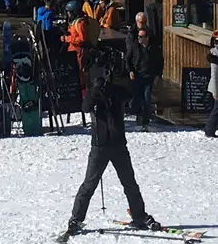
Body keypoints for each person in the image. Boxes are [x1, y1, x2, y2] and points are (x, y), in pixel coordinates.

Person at [60, 42, 160, 239]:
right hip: (100, 145)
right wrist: (97, 90)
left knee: (129, 182)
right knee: (89, 184)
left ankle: (138, 215)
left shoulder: (117, 90)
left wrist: (114, 85)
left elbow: (130, 100)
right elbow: (86, 107)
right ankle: (76, 219)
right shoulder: (94, 93)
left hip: (118, 144)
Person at [125, 13, 162, 130]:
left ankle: (144, 120)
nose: (140, 39)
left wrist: (158, 75)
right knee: (137, 97)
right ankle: (138, 115)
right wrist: (130, 70)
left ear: (147, 37)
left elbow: (159, 61)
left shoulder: (153, 47)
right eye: (139, 37)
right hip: (138, 74)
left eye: (142, 37)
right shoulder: (134, 40)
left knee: (146, 98)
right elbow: (128, 58)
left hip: (149, 75)